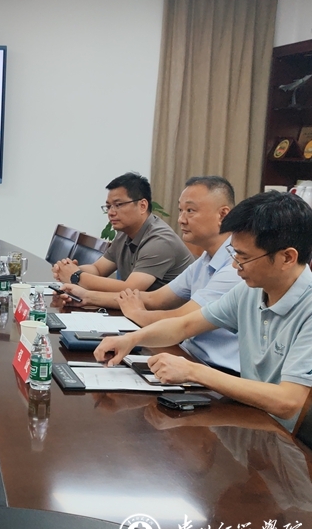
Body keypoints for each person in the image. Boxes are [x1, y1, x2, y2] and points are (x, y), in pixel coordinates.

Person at [95, 191, 312, 433]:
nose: (235, 265)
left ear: (287, 258)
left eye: (244, 257)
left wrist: (193, 371)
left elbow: (288, 402)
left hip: (284, 442)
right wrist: (131, 339)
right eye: (234, 253)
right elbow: (185, 325)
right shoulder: (249, 291)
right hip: (249, 422)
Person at [57, 176, 241, 373]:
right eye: (180, 210)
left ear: (223, 215)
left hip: (215, 371)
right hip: (185, 356)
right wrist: (87, 297)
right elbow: (155, 298)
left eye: (190, 210)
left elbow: (182, 321)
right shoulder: (205, 260)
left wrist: (138, 315)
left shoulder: (235, 268)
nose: (181, 219)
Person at [52, 172, 194, 292]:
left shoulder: (160, 241)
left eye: (118, 205)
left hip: (168, 314)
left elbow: (130, 289)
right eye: (108, 206)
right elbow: (98, 269)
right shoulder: (124, 234)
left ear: (142, 206)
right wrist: (69, 269)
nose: (111, 212)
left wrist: (76, 276)